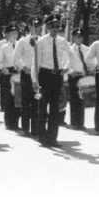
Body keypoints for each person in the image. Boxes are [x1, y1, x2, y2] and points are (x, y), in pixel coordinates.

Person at [36, 14, 74, 147]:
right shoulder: (41, 42)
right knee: (42, 107)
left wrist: (67, 68)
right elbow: (36, 63)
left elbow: (72, 55)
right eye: (52, 26)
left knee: (55, 109)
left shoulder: (63, 41)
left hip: (57, 76)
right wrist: (35, 81)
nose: (55, 29)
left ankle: (52, 138)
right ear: (47, 27)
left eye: (57, 26)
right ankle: (42, 136)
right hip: (45, 75)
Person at [13, 17, 42, 136]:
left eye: (38, 26)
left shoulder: (42, 41)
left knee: (37, 101)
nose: (36, 28)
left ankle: (35, 128)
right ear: (29, 27)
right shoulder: (23, 41)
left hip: (39, 75)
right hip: (26, 74)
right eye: (33, 26)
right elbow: (15, 58)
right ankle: (25, 128)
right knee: (26, 101)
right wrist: (23, 67)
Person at [0, 23, 19, 130]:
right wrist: (2, 68)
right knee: (9, 98)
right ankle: (9, 123)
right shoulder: (4, 47)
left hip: (18, 72)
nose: (14, 35)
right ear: (8, 35)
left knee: (17, 98)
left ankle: (16, 122)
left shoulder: (21, 45)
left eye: (16, 33)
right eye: (12, 33)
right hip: (8, 73)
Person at [68, 27, 90, 130]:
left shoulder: (86, 49)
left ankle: (80, 123)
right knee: (74, 99)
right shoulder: (69, 49)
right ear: (73, 37)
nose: (79, 39)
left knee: (82, 99)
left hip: (83, 76)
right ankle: (74, 122)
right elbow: (65, 63)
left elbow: (91, 61)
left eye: (81, 37)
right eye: (77, 37)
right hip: (74, 76)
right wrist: (71, 72)